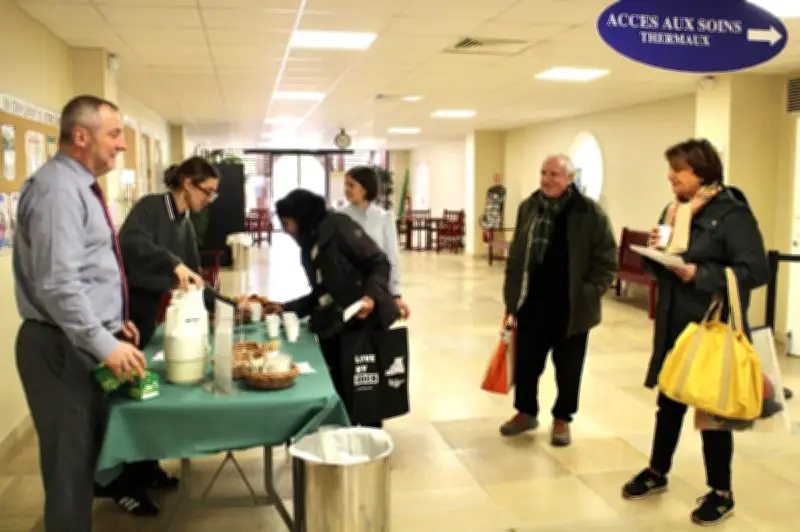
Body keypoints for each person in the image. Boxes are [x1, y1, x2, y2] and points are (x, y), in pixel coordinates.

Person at [12, 95, 146, 532]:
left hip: (77, 339)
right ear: (81, 135)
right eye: (114, 134)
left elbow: (84, 272)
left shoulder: (78, 186)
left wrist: (112, 321)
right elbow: (57, 284)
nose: (122, 145)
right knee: (69, 473)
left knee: (85, 460)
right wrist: (104, 342)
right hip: (57, 346)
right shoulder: (57, 191)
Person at [621, 139, 769, 526]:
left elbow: (755, 271)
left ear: (701, 172)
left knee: (712, 412)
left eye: (678, 169)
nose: (670, 176)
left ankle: (721, 493)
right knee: (669, 401)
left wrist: (699, 274)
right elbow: (668, 263)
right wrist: (657, 255)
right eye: (670, 168)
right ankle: (657, 472)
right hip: (674, 323)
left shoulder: (732, 214)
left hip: (710, 326)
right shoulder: (674, 209)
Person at [103, 157, 219, 515]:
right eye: (206, 191)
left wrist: (230, 303)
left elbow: (194, 276)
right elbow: (131, 242)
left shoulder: (184, 222)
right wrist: (172, 263)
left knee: (148, 390)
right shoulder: (151, 207)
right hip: (128, 313)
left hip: (153, 314)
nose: (208, 200)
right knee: (129, 395)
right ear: (186, 182)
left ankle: (147, 467)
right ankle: (121, 481)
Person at [500, 154, 617, 446]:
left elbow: (606, 260)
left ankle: (563, 418)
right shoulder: (529, 207)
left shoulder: (589, 212)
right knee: (527, 364)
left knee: (569, 368)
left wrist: (590, 291)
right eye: (543, 173)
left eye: (554, 174)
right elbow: (517, 254)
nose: (547, 179)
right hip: (532, 302)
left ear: (569, 178)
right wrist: (512, 300)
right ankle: (525, 412)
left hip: (573, 306)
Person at [271, 188, 399, 427]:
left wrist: (370, 297)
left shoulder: (338, 226)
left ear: (302, 216)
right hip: (337, 322)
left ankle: (369, 446)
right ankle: (346, 437)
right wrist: (285, 308)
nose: (286, 230)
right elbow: (323, 292)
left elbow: (378, 262)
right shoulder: (310, 244)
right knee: (342, 386)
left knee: (364, 389)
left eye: (287, 222)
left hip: (362, 319)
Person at [339, 166, 410, 319]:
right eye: (346, 185)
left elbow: (392, 257)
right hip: (348, 291)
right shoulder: (339, 217)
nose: (346, 189)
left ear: (365, 187)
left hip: (376, 290)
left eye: (351, 185)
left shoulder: (384, 217)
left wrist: (395, 294)